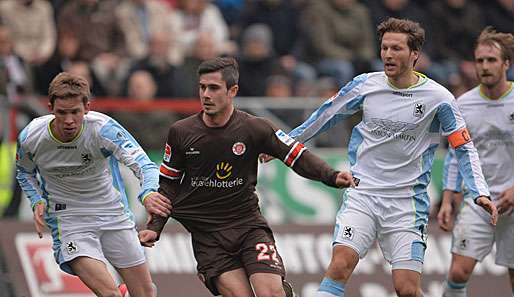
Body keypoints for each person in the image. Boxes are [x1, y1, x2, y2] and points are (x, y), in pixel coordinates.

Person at [281, 18, 498, 297]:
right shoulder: (365, 85)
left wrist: (479, 191)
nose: (388, 55)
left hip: (406, 204)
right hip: (363, 194)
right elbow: (325, 116)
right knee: (339, 266)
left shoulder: (438, 98)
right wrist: (285, 144)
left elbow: (463, 147)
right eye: (384, 48)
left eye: (396, 48)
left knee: (406, 289)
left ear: (414, 54)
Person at [138, 57, 355, 297]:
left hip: (248, 227)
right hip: (207, 237)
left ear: (233, 91)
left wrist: (331, 176)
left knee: (270, 293)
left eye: (214, 88)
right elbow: (168, 185)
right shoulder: (181, 132)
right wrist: (155, 227)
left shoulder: (255, 128)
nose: (206, 95)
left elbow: (296, 156)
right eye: (202, 87)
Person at [15, 72, 172, 297]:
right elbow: (23, 171)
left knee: (146, 293)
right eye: (62, 112)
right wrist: (36, 199)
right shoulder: (32, 137)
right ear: (50, 108)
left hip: (112, 214)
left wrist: (147, 193)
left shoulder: (103, 129)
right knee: (110, 294)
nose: (69, 120)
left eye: (75, 112)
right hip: (68, 219)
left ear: (87, 107)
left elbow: (144, 165)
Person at [438, 27, 514, 297]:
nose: (484, 66)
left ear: (506, 63)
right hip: (479, 200)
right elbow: (456, 155)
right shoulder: (463, 104)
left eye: (491, 60)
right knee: (458, 272)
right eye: (480, 60)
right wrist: (448, 198)